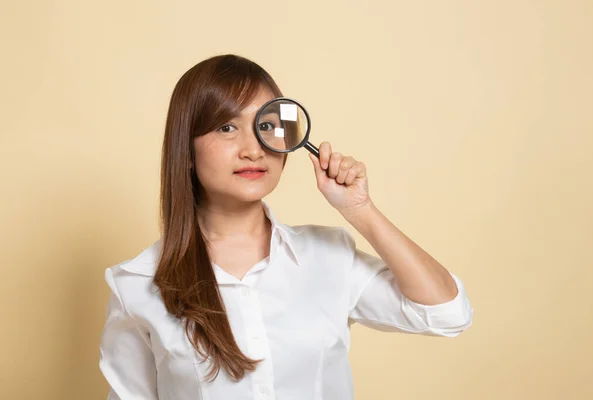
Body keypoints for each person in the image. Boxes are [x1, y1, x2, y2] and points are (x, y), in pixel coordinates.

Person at [98, 54, 473, 400]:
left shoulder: (328, 257)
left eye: (266, 126)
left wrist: (360, 209)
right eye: (227, 127)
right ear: (187, 149)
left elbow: (447, 313)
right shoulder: (138, 284)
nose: (253, 149)